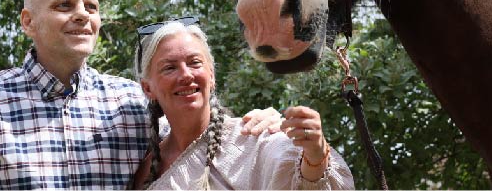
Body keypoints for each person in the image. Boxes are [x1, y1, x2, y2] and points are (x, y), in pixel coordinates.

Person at [0, 0, 282, 190]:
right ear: (28, 22)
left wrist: (259, 126)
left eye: (90, 7)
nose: (82, 15)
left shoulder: (133, 103)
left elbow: (198, 139)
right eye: (64, 6)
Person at [132, 18, 355, 190]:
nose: (186, 75)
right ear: (147, 88)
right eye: (169, 67)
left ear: (211, 76)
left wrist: (316, 152)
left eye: (195, 63)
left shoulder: (253, 137)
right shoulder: (138, 165)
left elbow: (307, 179)